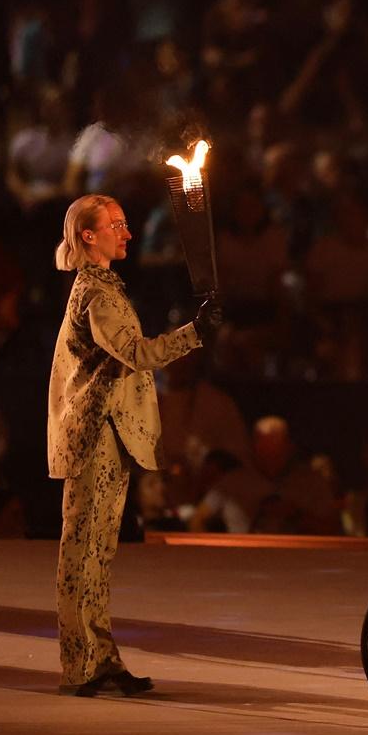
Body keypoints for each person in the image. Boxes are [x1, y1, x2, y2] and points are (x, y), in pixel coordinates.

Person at [48, 194, 223, 697]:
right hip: (95, 432)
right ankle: (81, 664)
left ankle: (100, 658)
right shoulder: (97, 295)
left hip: (109, 431)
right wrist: (194, 334)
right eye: (117, 226)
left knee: (98, 551)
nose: (127, 234)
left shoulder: (101, 286)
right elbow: (136, 353)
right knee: (84, 551)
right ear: (89, 235)